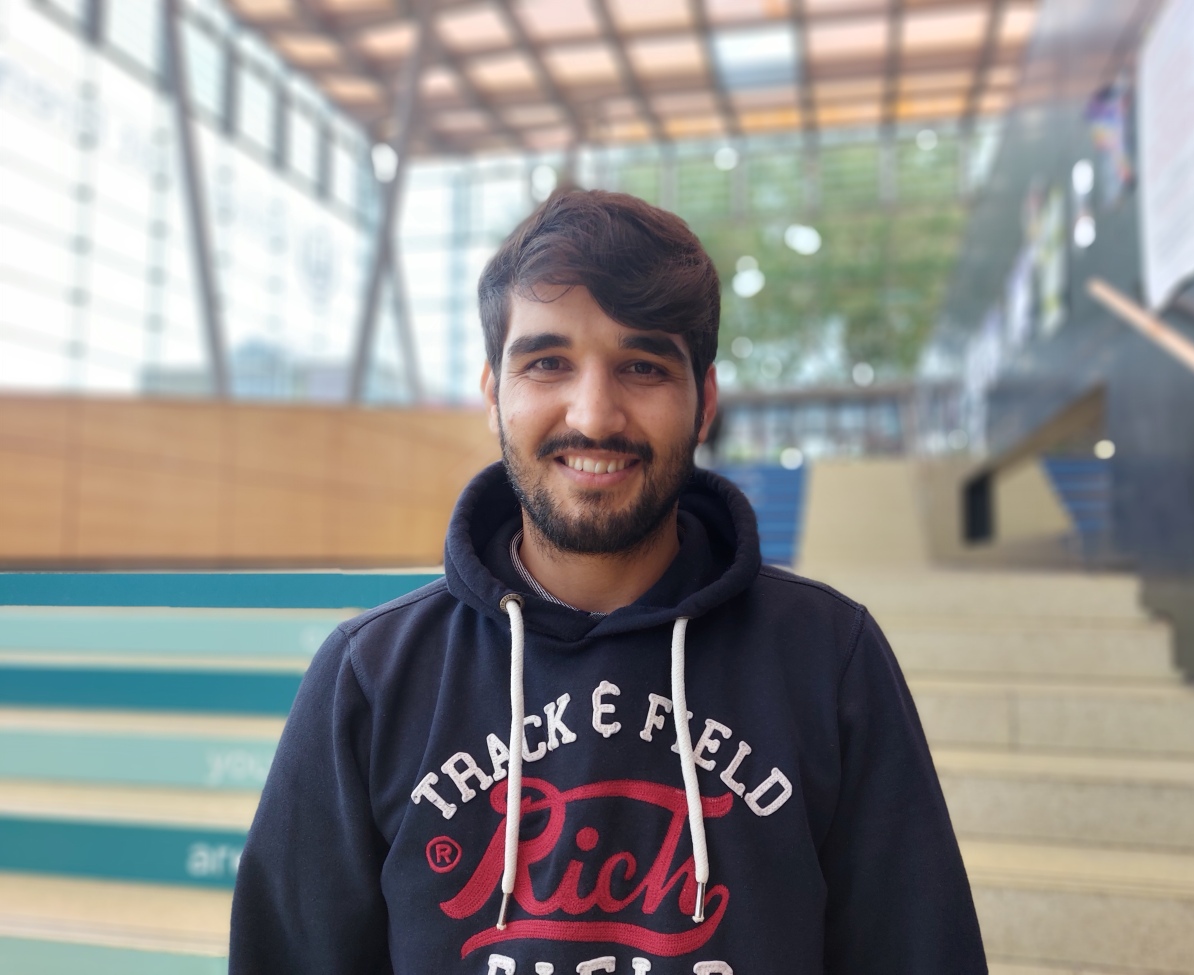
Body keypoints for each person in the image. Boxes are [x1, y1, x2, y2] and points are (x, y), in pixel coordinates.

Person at [229, 188, 986, 974]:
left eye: (642, 366)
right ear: (494, 394)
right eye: (547, 363)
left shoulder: (830, 658)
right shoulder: (372, 676)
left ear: (704, 402)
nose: (594, 415)